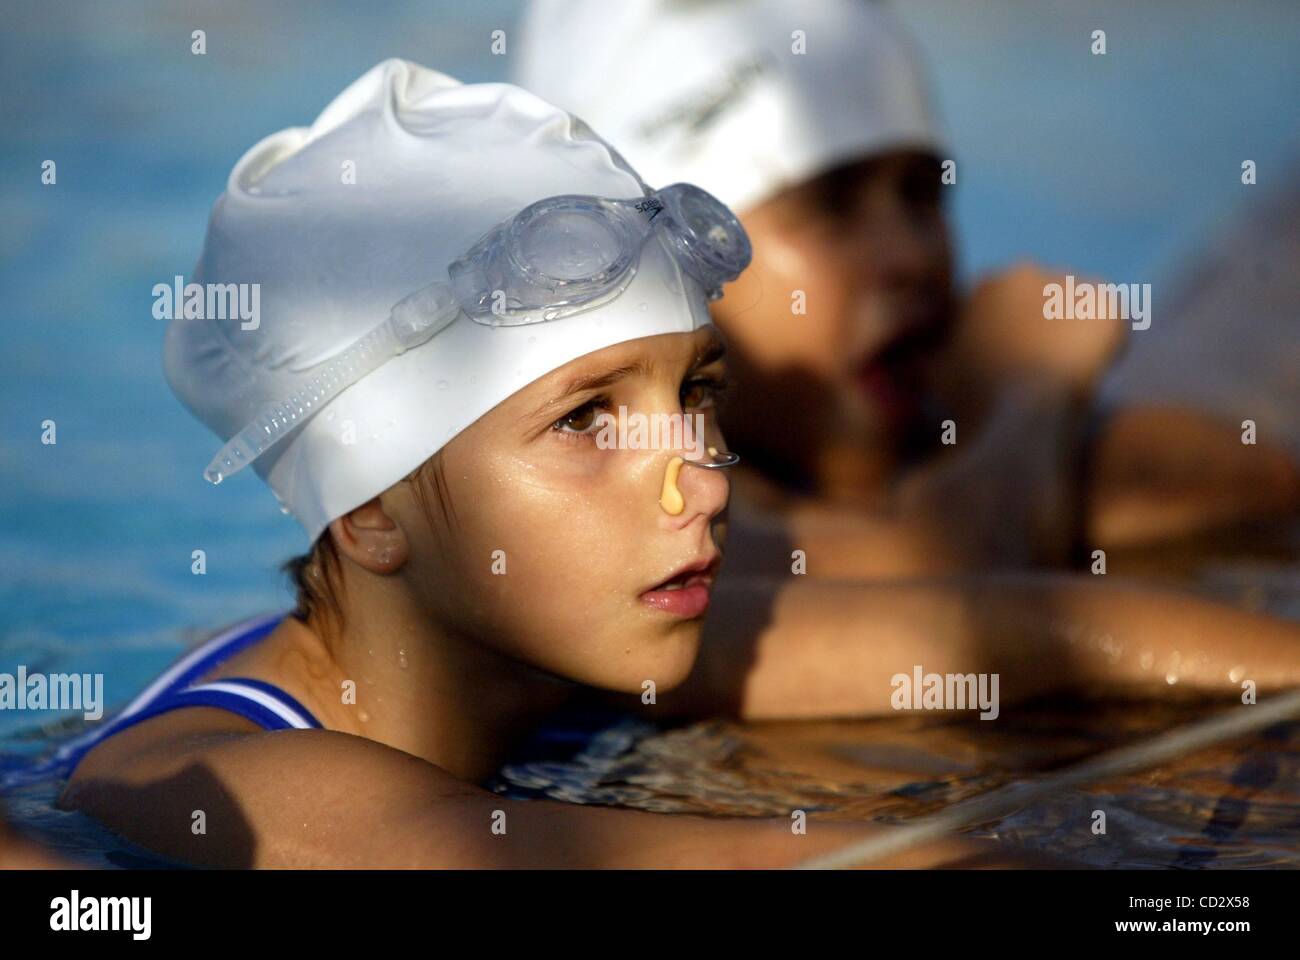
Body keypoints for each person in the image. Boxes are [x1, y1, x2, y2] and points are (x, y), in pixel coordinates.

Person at [59, 60, 1300, 869]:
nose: (697, 475)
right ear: (374, 510)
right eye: (589, 421)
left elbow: (1017, 631)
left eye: (694, 395)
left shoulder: (545, 632)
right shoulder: (221, 779)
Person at [514, 0, 1300, 578]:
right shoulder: (650, 528)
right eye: (830, 205)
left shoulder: (953, 431)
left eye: (923, 194)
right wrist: (1034, 388)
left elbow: (1251, 477)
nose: (910, 255)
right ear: (670, 267)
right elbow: (953, 575)